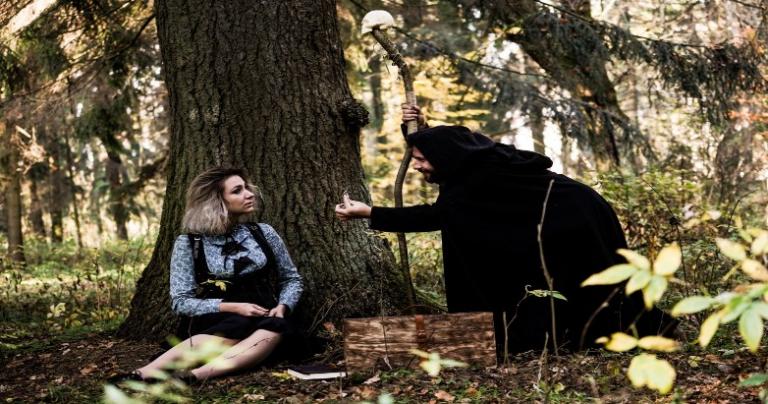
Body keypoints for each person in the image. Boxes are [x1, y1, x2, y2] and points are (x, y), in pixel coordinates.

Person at [335, 106, 673, 355]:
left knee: (589, 280)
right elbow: (453, 142)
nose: (418, 166)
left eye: (422, 159)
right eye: (417, 158)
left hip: (575, 218)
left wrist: (369, 212)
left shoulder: (473, 179)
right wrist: (419, 128)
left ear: (444, 157)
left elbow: (432, 217)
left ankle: (619, 333)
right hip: (567, 214)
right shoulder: (470, 158)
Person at [110, 167, 303, 384]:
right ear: (216, 201)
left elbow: (291, 279)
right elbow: (181, 301)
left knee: (275, 326)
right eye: (237, 191)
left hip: (265, 316)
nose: (249, 194)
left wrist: (284, 306)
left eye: (247, 188)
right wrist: (232, 307)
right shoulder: (190, 243)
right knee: (236, 324)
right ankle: (142, 374)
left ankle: (193, 377)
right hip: (217, 319)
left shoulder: (263, 232)